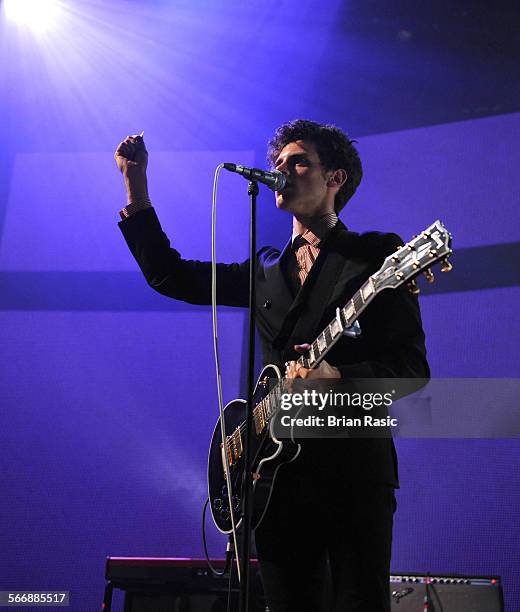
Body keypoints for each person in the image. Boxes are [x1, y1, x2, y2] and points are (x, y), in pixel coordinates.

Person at [115, 119, 429, 612]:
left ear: (335, 179)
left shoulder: (375, 256)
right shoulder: (264, 270)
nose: (282, 170)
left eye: (298, 161)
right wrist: (136, 187)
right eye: (278, 163)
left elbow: (411, 369)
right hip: (273, 481)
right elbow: (170, 275)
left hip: (353, 471)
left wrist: (338, 378)